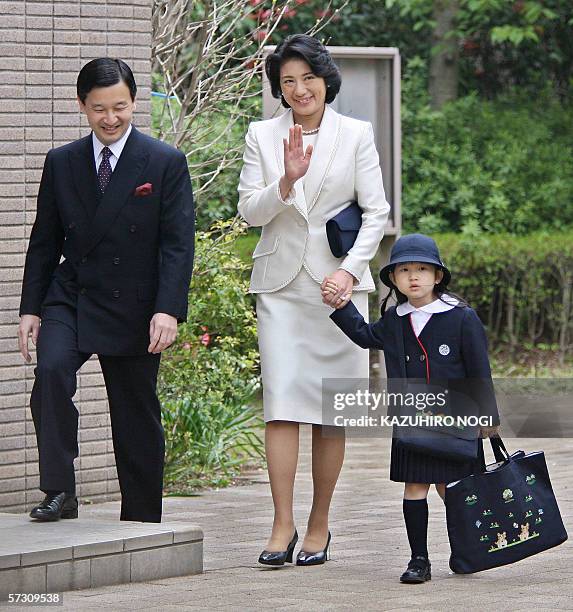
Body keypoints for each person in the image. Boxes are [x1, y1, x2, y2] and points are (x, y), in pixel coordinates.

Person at [17, 58, 194, 523]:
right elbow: (45, 239)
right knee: (51, 373)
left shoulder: (164, 161)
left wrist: (168, 310)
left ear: (134, 101)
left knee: (135, 409)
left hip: (136, 303)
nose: (110, 118)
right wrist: (30, 308)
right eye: (99, 108)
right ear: (82, 106)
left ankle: (141, 514)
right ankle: (60, 490)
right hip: (71, 294)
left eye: (120, 106)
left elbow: (177, 246)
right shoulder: (62, 162)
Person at [237, 34, 390, 566]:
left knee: (332, 411)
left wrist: (349, 273)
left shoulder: (356, 134)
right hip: (280, 287)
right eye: (287, 81)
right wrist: (285, 181)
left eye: (307, 78)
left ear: (326, 80)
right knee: (280, 406)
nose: (299, 89)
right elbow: (249, 213)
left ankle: (320, 523)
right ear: (279, 89)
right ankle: (282, 523)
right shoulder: (262, 135)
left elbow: (376, 213)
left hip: (337, 292)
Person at [325, 233, 500, 582]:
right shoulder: (395, 319)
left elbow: (480, 368)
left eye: (422, 269)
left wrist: (488, 416)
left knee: (456, 488)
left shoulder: (461, 317)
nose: (414, 276)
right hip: (412, 421)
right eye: (404, 270)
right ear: (393, 278)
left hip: (457, 420)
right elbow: (364, 335)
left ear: (438, 276)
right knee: (415, 487)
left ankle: (466, 550)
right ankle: (418, 560)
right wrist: (341, 306)